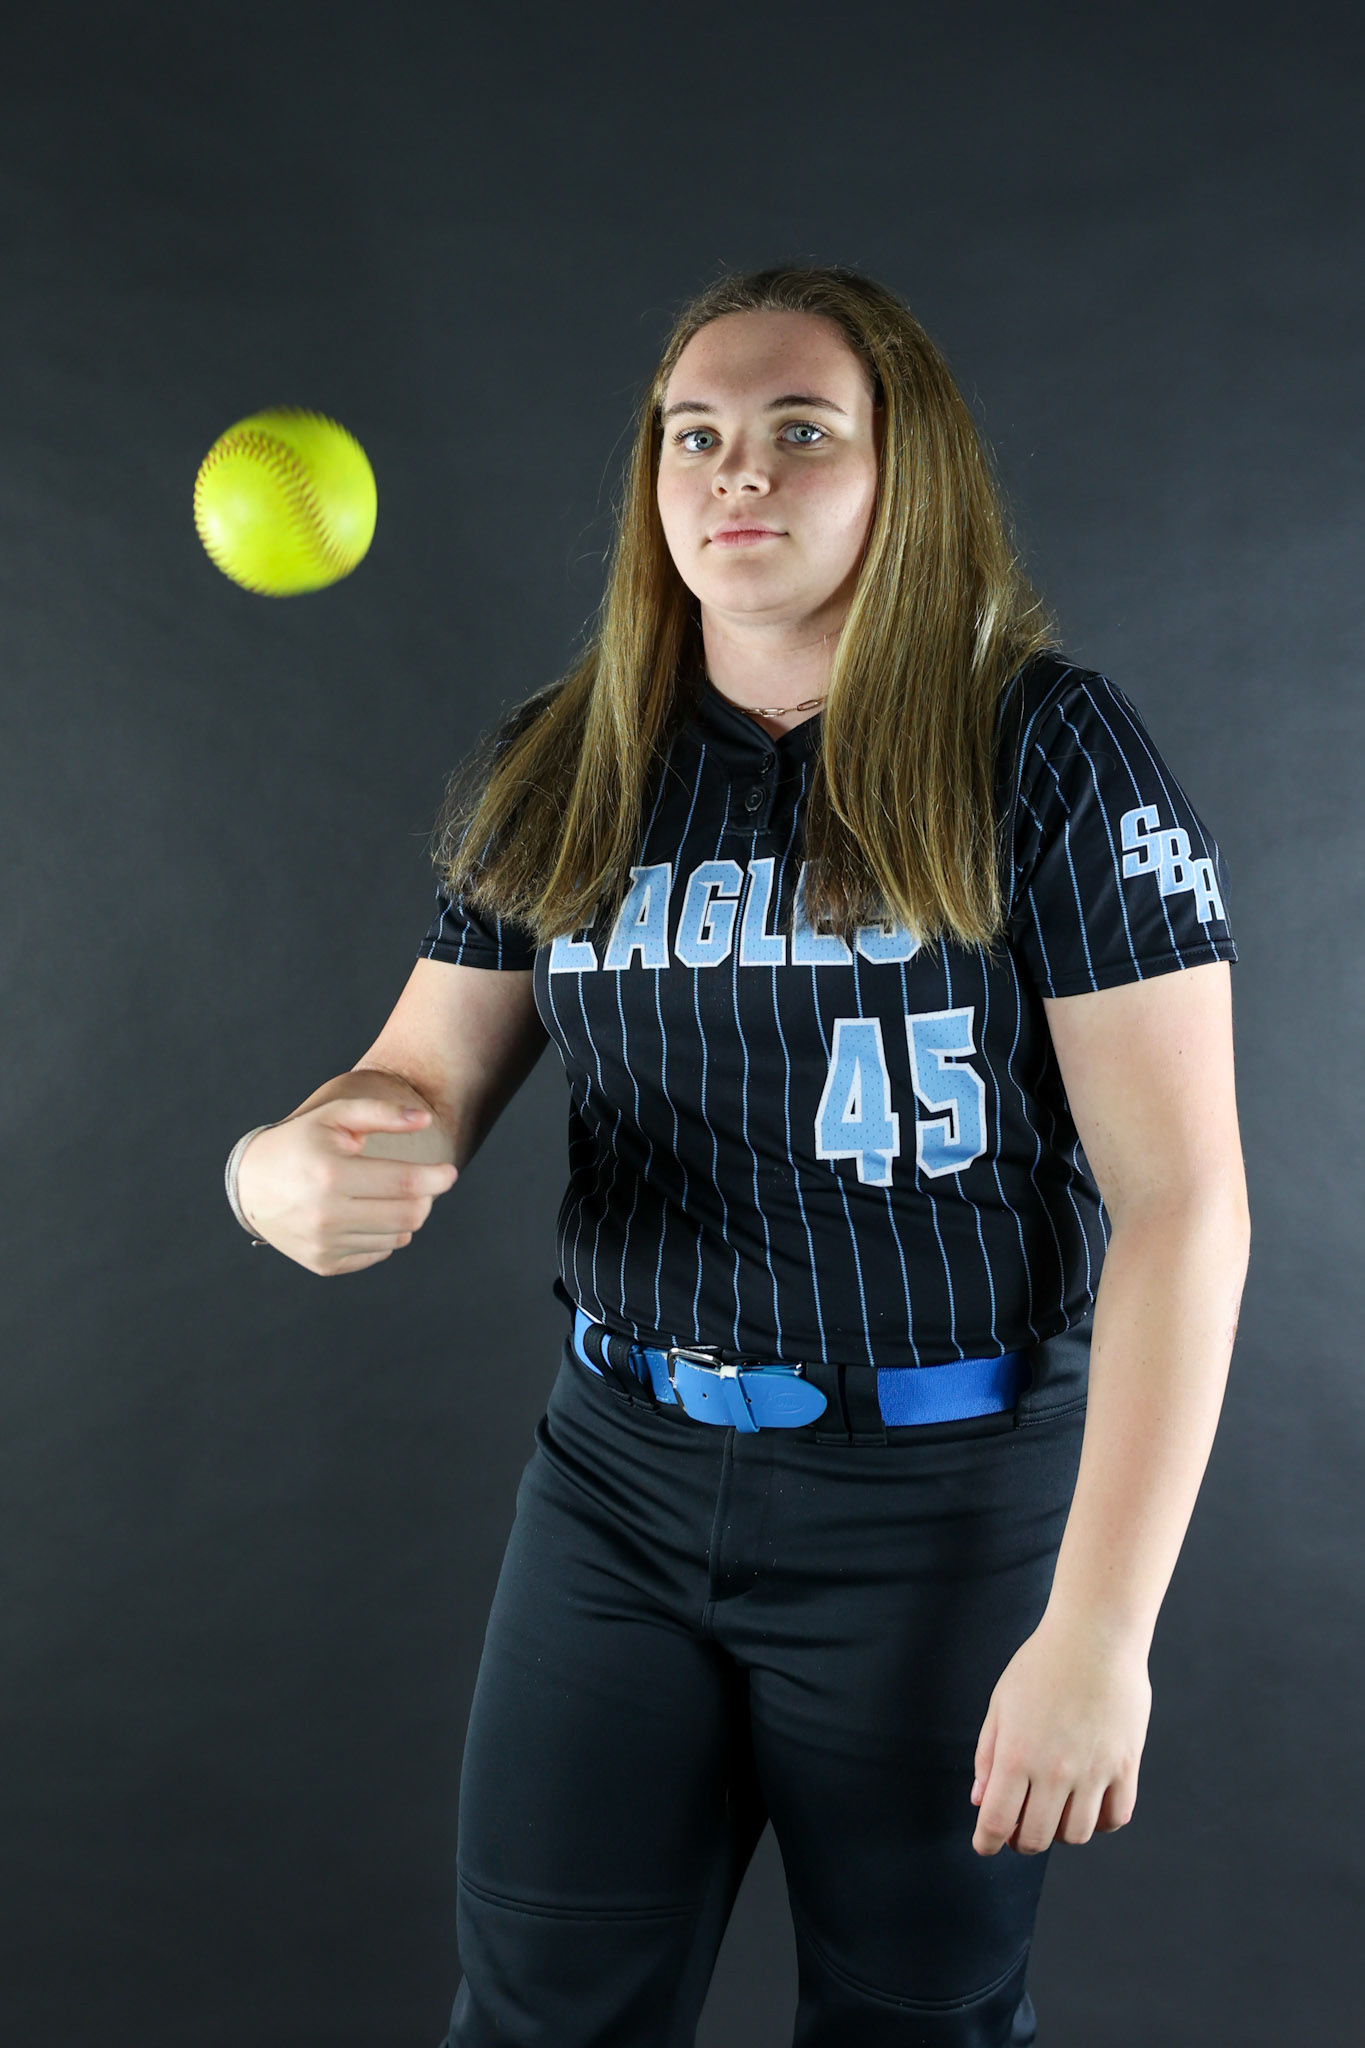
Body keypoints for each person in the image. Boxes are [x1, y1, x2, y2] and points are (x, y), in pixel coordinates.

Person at [225, 266, 1251, 2047]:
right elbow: (404, 1083)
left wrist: (1099, 1631)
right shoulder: (565, 762)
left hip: (937, 1507)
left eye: (800, 433)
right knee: (543, 2018)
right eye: (690, 435)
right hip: (618, 1487)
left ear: (899, 475)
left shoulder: (1047, 747)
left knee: (913, 2025)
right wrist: (275, 1173)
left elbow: (1182, 1205)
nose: (734, 474)